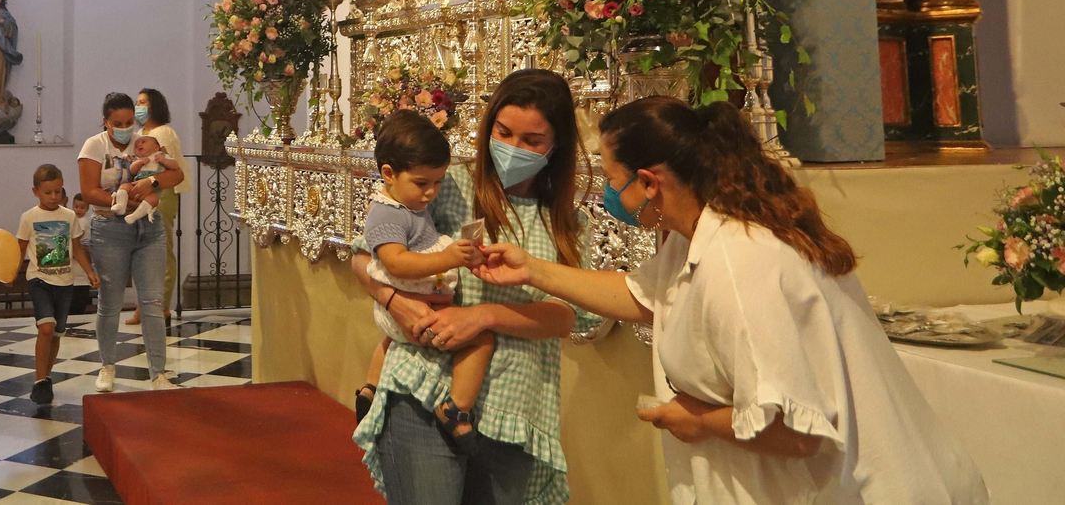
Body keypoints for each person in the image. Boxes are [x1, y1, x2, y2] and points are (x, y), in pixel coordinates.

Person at [474, 97, 990, 505]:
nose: (611, 197)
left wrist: (694, 421)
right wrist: (533, 269)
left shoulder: (740, 263)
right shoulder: (702, 228)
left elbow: (793, 430)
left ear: (648, 182)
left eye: (612, 181)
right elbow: (644, 296)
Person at [350, 69, 598, 505]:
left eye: (532, 140)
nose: (513, 149)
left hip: (515, 403)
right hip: (426, 385)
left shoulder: (568, 224)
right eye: (503, 133)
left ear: (556, 145)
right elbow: (364, 257)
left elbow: (565, 315)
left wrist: (484, 316)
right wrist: (396, 302)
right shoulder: (446, 186)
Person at [355, 111, 491, 447]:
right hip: (412, 305)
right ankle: (457, 409)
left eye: (439, 182)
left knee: (394, 339)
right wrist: (445, 259)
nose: (432, 192)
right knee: (482, 339)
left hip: (409, 305)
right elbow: (396, 263)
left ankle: (370, 387)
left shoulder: (407, 206)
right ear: (388, 174)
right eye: (422, 183)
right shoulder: (386, 213)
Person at [79, 92, 186, 392]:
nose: (125, 128)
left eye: (129, 121)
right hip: (110, 229)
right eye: (118, 123)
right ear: (106, 121)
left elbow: (173, 175)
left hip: (148, 228)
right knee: (111, 302)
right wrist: (118, 199)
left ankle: (158, 374)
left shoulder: (146, 142)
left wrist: (150, 183)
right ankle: (107, 366)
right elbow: (87, 191)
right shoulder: (94, 145)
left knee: (152, 302)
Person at [16, 164, 97, 404]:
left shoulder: (69, 216)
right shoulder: (29, 217)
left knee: (57, 333)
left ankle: (47, 377)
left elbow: (77, 249)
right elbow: (19, 249)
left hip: (65, 282)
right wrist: (11, 273)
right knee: (46, 328)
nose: (53, 197)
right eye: (47, 192)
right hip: (39, 279)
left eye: (58, 192)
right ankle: (40, 380)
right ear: (36, 192)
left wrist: (89, 272)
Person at [133, 88, 189, 326]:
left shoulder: (164, 132)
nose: (139, 106)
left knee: (162, 250)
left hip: (163, 193)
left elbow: (169, 166)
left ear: (154, 105)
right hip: (142, 194)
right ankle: (143, 305)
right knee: (142, 251)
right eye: (137, 102)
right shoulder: (139, 133)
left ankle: (162, 306)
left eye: (143, 102)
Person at [111, 135, 180, 223]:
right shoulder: (138, 159)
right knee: (124, 186)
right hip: (137, 182)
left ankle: (135, 216)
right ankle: (121, 205)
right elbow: (132, 170)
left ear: (156, 147)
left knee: (154, 199)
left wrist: (164, 161)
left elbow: (175, 166)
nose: (139, 145)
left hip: (154, 189)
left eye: (143, 142)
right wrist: (140, 162)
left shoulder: (162, 155)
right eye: (136, 146)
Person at [68, 193, 96, 324]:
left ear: (87, 208)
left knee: (77, 311)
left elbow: (77, 240)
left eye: (82, 207)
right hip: (72, 274)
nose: (78, 210)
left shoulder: (83, 221)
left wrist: (69, 247)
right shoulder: (73, 219)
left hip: (81, 273)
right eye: (76, 207)